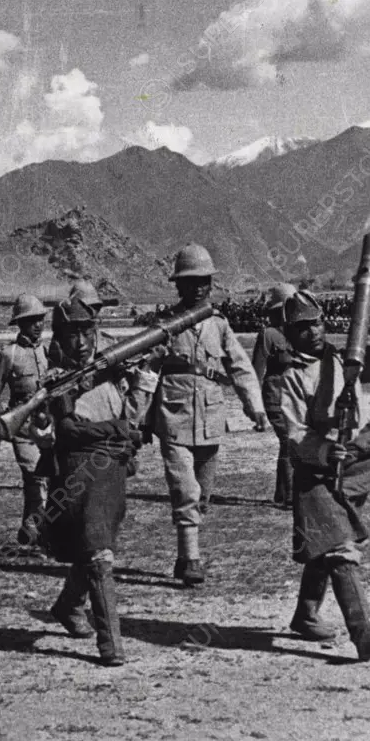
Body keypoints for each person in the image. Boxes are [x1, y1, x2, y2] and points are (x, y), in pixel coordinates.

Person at [280, 290, 370, 661]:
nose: (313, 332)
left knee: (327, 541)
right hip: (316, 473)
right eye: (302, 328)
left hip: (355, 465)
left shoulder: (345, 360)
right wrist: (321, 450)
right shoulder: (290, 376)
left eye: (316, 323)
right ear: (290, 333)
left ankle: (305, 614)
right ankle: (362, 629)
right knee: (338, 548)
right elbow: (293, 431)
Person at [40, 297, 159, 667]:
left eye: (86, 332)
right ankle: (112, 645)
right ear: (58, 337)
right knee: (98, 555)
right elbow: (67, 430)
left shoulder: (109, 372)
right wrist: (116, 430)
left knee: (95, 547)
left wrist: (147, 375)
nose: (80, 342)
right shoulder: (57, 379)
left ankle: (67, 607)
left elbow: (132, 418)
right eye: (71, 334)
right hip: (79, 472)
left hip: (112, 471)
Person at [148, 244, 267, 586]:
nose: (198, 287)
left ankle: (189, 547)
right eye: (190, 281)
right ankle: (190, 559)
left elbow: (241, 367)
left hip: (211, 418)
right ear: (178, 286)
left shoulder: (219, 324)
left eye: (203, 280)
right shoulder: (164, 324)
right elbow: (145, 373)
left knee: (204, 492)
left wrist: (254, 407)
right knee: (185, 489)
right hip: (174, 416)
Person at [0, 294, 52, 545]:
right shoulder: (9, 354)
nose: (37, 325)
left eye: (40, 319)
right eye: (31, 320)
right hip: (22, 425)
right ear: (20, 323)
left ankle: (30, 525)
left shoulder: (49, 351)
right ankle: (40, 530)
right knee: (34, 475)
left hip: (46, 423)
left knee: (46, 476)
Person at [252, 283, 298, 509]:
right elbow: (256, 372)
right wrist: (255, 406)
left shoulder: (297, 333)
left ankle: (282, 493)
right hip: (275, 397)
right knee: (289, 442)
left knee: (288, 443)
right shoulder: (268, 335)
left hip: (295, 397)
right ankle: (290, 497)